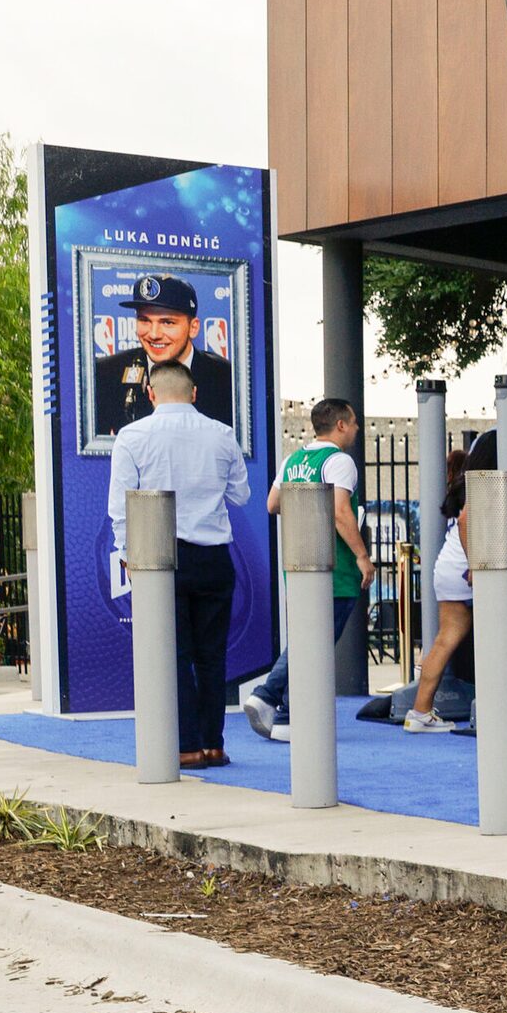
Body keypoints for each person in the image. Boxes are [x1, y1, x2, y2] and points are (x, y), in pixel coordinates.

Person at [104, 361, 249, 768]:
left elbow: (121, 506)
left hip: (161, 556)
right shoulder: (222, 435)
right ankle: (213, 744)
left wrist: (128, 553)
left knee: (175, 654)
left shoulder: (133, 436)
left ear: (150, 392)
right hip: (214, 556)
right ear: (194, 392)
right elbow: (241, 495)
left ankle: (185, 746)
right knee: (212, 655)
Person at [240, 398, 374, 741]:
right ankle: (280, 707)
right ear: (341, 425)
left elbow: (273, 504)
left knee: (305, 638)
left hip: (300, 566)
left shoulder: (294, 459)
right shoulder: (339, 462)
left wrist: (309, 513)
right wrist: (361, 556)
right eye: (355, 422)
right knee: (316, 643)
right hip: (335, 567)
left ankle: (277, 703)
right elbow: (342, 511)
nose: (358, 429)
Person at [93, 273, 237, 439]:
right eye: (144, 320)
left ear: (193, 327)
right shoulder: (105, 373)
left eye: (167, 322)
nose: (154, 334)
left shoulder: (226, 378)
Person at [403, 454, 478, 733]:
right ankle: (420, 712)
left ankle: (420, 710)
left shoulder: (461, 489)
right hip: (463, 570)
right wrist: (474, 564)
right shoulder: (477, 487)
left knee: (444, 641)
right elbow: (466, 521)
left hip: (447, 567)